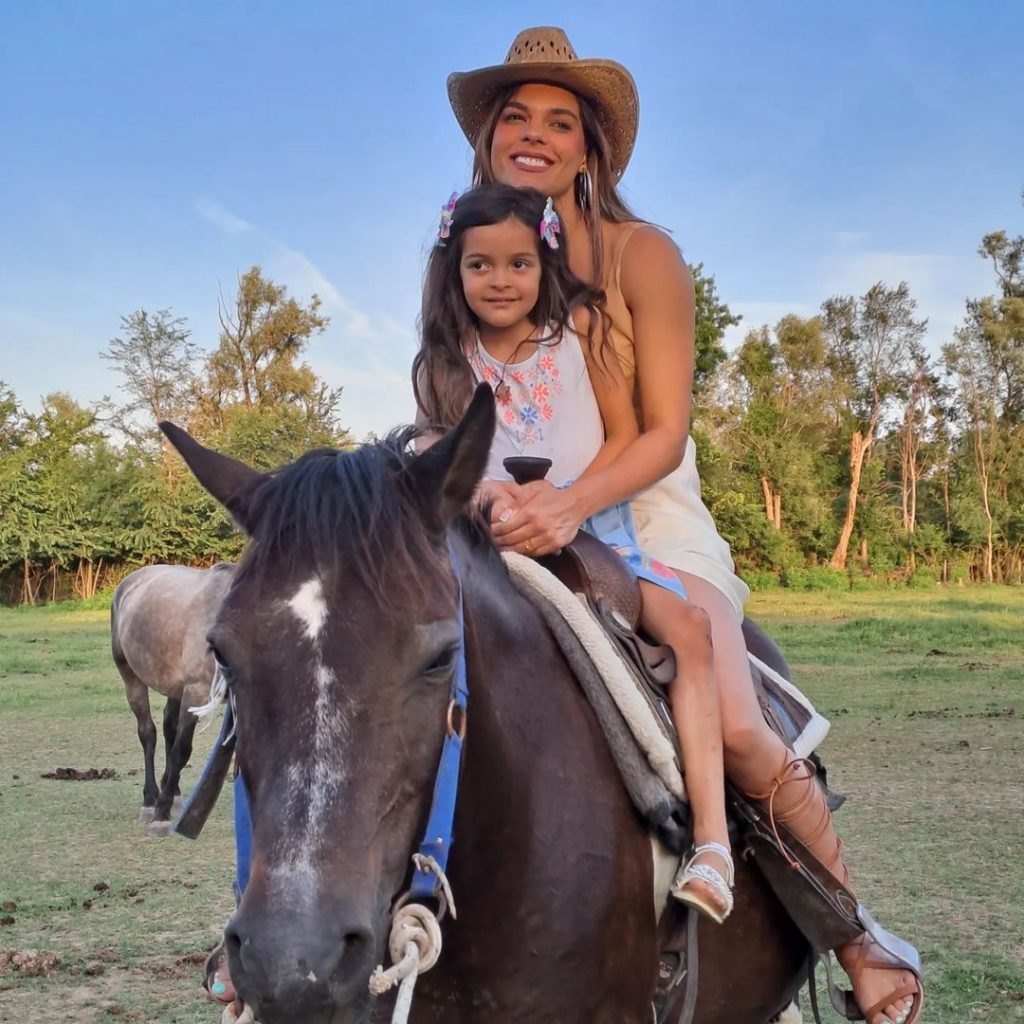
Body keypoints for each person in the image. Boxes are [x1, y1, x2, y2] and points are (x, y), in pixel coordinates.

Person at [441, 27, 923, 1024]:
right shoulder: (479, 257)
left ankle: (855, 933)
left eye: (559, 122)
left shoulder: (641, 254)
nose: (534, 135)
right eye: (515, 117)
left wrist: (569, 504)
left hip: (644, 513)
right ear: (487, 140)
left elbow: (661, 435)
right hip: (510, 510)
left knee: (736, 721)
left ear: (590, 148)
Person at [414, 181, 734, 922]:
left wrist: (567, 502)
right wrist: (483, 494)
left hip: (591, 534)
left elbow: (625, 436)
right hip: (491, 544)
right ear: (454, 270)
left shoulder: (581, 332)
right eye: (480, 265)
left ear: (544, 263)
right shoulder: (446, 362)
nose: (500, 280)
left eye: (519, 264)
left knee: (689, 630)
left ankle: (713, 842)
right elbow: (433, 445)